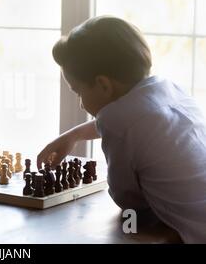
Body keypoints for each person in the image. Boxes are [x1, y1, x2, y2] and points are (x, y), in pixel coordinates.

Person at [37, 16, 206, 243]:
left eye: (78, 92)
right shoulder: (168, 89)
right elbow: (127, 121)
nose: (80, 103)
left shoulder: (121, 124)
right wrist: (74, 135)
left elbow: (127, 199)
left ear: (103, 85)